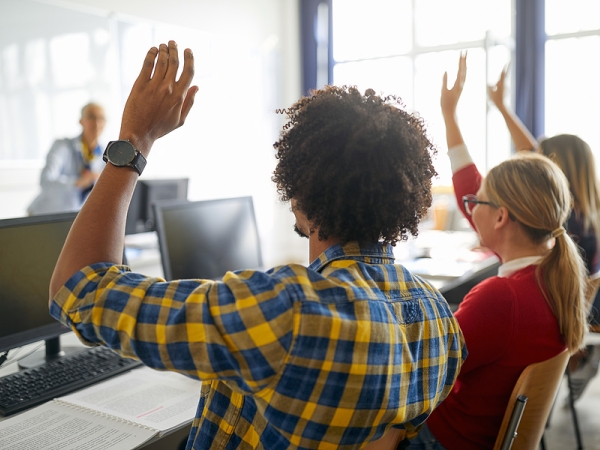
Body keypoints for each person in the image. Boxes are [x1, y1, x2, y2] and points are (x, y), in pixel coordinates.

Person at [48, 41, 466, 449]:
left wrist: (134, 141)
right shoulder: (441, 320)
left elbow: (78, 288)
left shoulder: (287, 310)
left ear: (298, 190)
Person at [408, 54, 589, 450]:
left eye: (478, 202)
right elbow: (472, 184)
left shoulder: (501, 298)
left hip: (444, 439)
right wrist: (449, 115)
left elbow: (419, 373)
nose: (470, 207)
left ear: (503, 217)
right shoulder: (554, 277)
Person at [488, 67, 600, 276]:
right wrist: (502, 107)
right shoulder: (588, 215)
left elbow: (530, 155)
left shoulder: (562, 220)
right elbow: (530, 151)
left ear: (553, 170)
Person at [27, 102, 106, 215]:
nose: (97, 123)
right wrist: (78, 183)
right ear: (81, 121)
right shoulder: (62, 146)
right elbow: (45, 181)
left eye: (101, 118)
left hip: (72, 218)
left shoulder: (106, 155)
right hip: (43, 215)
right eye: (91, 117)